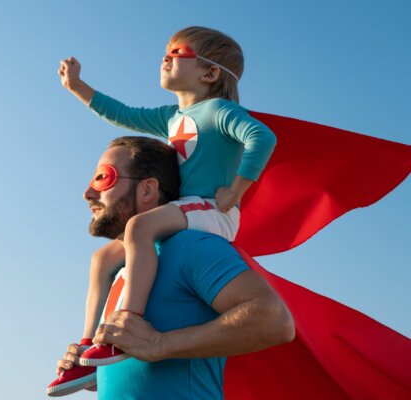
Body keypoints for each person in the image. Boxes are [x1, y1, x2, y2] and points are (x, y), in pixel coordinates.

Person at [57, 26, 277, 368]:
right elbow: (122, 113)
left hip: (210, 209)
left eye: (177, 54)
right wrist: (77, 87)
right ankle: (89, 345)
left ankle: (130, 322)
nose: (165, 58)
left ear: (210, 72)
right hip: (182, 211)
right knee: (102, 259)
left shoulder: (219, 111)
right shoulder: (171, 118)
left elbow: (261, 138)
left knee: (139, 229)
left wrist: (236, 190)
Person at [47, 136, 294, 398]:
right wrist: (92, 366)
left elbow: (274, 319)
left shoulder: (190, 246)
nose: (88, 194)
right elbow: (140, 363)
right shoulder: (121, 270)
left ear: (147, 190)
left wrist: (161, 344)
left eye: (102, 178)